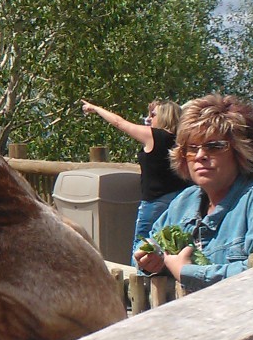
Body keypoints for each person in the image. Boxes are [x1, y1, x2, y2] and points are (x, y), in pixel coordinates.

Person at [133, 94, 253, 290]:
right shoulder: (185, 201)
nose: (201, 156)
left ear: (241, 150)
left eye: (215, 146)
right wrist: (151, 259)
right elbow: (148, 244)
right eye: (192, 148)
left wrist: (187, 272)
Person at [80, 97, 186, 257]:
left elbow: (119, 122)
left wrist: (96, 108)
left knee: (142, 247)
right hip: (181, 199)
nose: (148, 119)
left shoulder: (154, 136)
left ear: (165, 116)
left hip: (155, 201)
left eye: (153, 115)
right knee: (172, 246)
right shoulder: (182, 140)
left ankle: (140, 279)